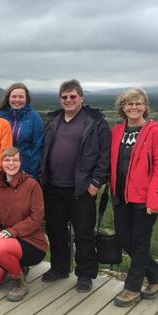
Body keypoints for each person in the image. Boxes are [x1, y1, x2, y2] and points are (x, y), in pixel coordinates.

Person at [39, 79, 110, 292]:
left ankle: (85, 274)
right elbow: (44, 151)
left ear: (81, 98)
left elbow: (104, 156)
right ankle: (60, 267)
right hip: (53, 187)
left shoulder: (95, 122)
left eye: (72, 96)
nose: (68, 100)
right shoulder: (53, 121)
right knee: (55, 230)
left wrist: (96, 183)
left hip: (82, 189)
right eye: (64, 97)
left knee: (84, 233)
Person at [110, 88, 158, 307]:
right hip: (120, 196)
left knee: (139, 243)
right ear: (122, 107)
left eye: (138, 103)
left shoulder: (155, 132)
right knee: (124, 240)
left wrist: (155, 200)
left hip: (144, 199)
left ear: (145, 106)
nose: (134, 107)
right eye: (129, 104)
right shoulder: (117, 131)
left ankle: (132, 288)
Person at [0, 147, 47, 302]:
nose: (11, 164)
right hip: (2, 241)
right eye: (7, 160)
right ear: (1, 163)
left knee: (0, 246)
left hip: (31, 242)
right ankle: (14, 264)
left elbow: (36, 218)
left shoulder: (32, 185)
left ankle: (19, 281)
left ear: (21, 162)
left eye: (15, 160)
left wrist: (13, 231)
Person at [0, 83, 44, 178]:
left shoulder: (34, 117)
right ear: (8, 98)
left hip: (25, 169)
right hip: (1, 169)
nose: (17, 100)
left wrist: (32, 173)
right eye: (14, 96)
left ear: (26, 99)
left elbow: (38, 147)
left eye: (21, 97)